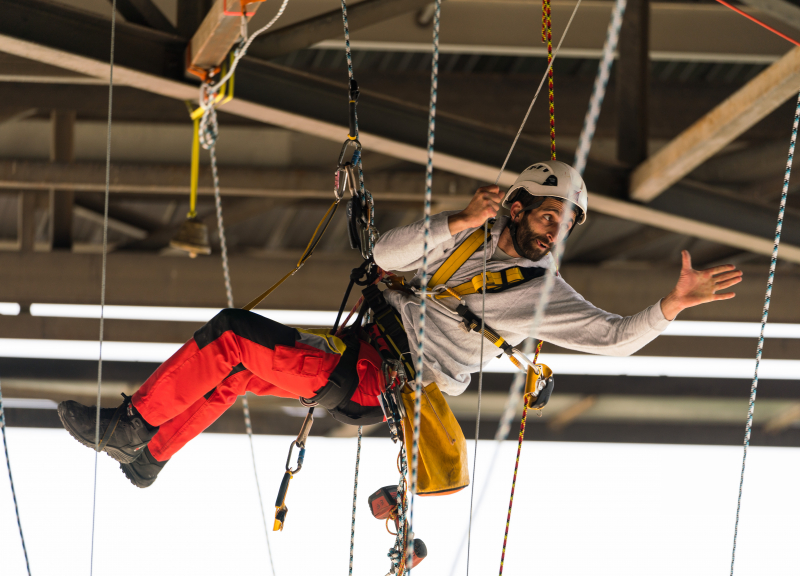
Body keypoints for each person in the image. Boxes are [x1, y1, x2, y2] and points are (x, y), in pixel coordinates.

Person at [57, 161, 743, 488]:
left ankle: (131, 424)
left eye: (563, 228)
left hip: (378, 379)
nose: (551, 234)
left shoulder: (543, 292)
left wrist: (672, 305)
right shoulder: (464, 236)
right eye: (545, 217)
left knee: (235, 334)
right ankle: (149, 453)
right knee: (237, 363)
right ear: (517, 207)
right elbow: (383, 254)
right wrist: (463, 219)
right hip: (362, 353)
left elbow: (615, 336)